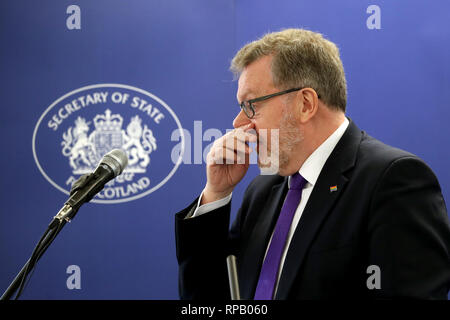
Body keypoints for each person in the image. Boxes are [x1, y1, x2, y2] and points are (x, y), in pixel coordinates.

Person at [174, 29, 450, 299]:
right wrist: (216, 194)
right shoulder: (262, 191)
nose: (238, 123)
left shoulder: (393, 180)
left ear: (305, 103)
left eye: (251, 106)